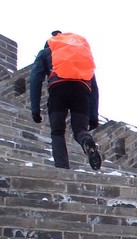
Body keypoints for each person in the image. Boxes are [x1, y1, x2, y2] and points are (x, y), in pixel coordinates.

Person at [28, 31, 102, 171]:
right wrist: (93, 116)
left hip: (58, 89)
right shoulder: (81, 55)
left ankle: (62, 168)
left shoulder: (46, 52)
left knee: (57, 131)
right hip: (82, 89)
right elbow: (95, 87)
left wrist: (35, 109)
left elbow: (35, 79)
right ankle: (86, 140)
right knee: (80, 130)